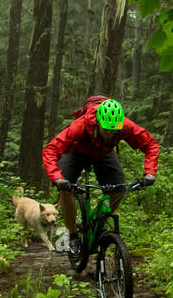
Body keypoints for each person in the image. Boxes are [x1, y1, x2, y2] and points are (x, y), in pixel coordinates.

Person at [42, 95, 159, 263]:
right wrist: (57, 178)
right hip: (76, 151)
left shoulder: (125, 126)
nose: (110, 134)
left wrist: (149, 172)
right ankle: (74, 237)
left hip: (104, 153)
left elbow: (150, 144)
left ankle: (98, 221)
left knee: (118, 190)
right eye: (106, 130)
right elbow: (51, 150)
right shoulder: (80, 127)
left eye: (114, 131)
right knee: (65, 190)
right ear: (97, 123)